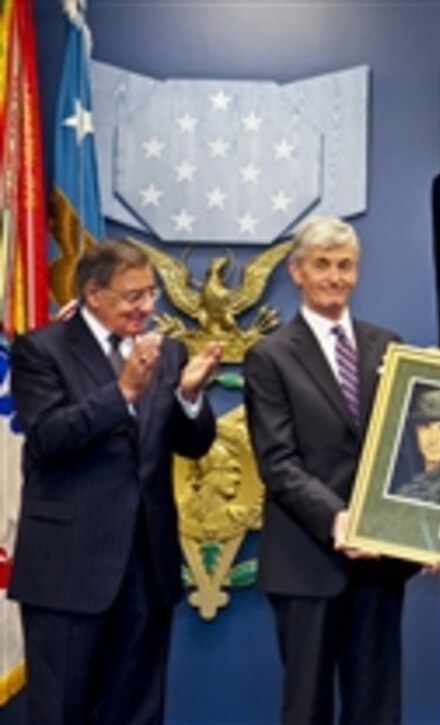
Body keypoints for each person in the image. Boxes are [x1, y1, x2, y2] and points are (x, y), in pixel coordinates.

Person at [9, 238, 222, 723]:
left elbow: (192, 445)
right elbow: (47, 438)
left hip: (146, 568)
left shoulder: (167, 353)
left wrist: (189, 395)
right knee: (62, 711)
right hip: (69, 572)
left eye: (151, 294)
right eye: (133, 296)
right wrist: (123, 390)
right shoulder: (41, 350)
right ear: (94, 294)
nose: (146, 307)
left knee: (138, 713)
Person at [244, 216, 413, 724]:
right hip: (306, 559)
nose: (335, 277)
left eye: (345, 266)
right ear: (297, 272)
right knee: (306, 708)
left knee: (376, 708)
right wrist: (339, 519)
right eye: (323, 265)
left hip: (380, 562)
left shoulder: (388, 345)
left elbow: (410, 441)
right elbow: (278, 462)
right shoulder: (269, 356)